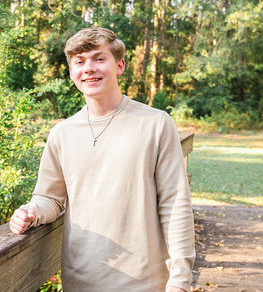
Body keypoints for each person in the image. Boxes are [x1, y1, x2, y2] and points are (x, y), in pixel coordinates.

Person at [10, 27, 195, 292]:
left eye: (99, 59)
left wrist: (179, 280)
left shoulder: (155, 123)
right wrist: (32, 212)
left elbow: (174, 205)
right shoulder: (61, 134)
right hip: (80, 280)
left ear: (119, 66)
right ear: (72, 72)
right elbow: (49, 198)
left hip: (146, 282)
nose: (89, 68)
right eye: (79, 61)